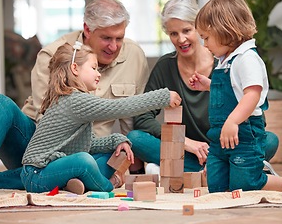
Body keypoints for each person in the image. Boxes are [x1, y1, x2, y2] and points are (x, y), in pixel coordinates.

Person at [0, 0, 149, 197]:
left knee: (114, 149)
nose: (114, 46)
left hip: (88, 150)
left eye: (119, 38)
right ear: (87, 30)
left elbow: (130, 121)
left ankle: (67, 181)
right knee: (0, 103)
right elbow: (50, 126)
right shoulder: (52, 55)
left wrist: (131, 164)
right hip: (38, 148)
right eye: (107, 38)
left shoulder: (134, 56)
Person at [127, 0, 279, 175]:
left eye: (186, 30)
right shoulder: (165, 66)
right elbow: (142, 119)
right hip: (186, 151)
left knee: (270, 140)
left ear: (199, 29)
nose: (181, 39)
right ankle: (218, 170)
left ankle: (185, 169)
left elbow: (255, 114)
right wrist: (185, 142)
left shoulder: (227, 64)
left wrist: (225, 137)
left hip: (226, 145)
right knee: (134, 138)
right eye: (173, 33)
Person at [20, 42, 181, 194]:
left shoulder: (76, 98)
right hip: (37, 174)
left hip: (55, 168)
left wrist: (116, 141)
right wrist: (163, 96)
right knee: (84, 161)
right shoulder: (75, 100)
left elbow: (89, 145)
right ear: (75, 68)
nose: (98, 74)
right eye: (94, 68)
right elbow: (121, 107)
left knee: (110, 154)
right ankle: (109, 185)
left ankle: (75, 184)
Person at [188, 0, 282, 193]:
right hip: (220, 134)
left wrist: (233, 121)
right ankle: (255, 171)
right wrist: (209, 85)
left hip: (244, 133)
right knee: (217, 187)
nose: (205, 45)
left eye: (206, 38)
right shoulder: (225, 60)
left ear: (225, 31)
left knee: (246, 185)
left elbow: (252, 95)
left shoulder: (247, 59)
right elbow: (231, 91)